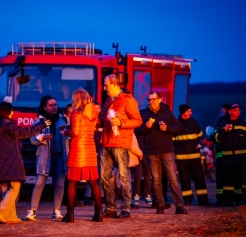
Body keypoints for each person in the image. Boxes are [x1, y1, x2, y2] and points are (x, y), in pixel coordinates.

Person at [0, 102, 49, 224]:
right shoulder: (8, 125)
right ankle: (0, 210)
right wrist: (42, 125)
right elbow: (25, 133)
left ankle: (11, 216)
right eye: (11, 110)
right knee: (15, 186)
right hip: (10, 160)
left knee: (6, 187)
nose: (13, 113)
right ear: (6, 111)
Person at [135, 91, 187, 215]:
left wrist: (167, 128)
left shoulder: (167, 113)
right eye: (149, 100)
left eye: (153, 99)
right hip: (151, 151)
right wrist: (145, 127)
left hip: (167, 150)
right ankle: (160, 205)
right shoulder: (143, 113)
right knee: (156, 179)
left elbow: (178, 128)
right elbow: (137, 131)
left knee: (172, 178)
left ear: (159, 100)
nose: (150, 102)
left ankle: (179, 206)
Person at [99, 75, 142, 219]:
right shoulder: (108, 101)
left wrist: (121, 123)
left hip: (120, 143)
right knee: (105, 176)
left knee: (124, 176)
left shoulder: (128, 100)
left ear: (114, 84)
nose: (104, 88)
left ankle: (126, 208)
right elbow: (105, 120)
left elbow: (138, 121)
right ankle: (110, 208)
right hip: (106, 143)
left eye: (106, 85)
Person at [63, 88, 102, 223]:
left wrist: (65, 132)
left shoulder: (76, 113)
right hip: (90, 148)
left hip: (78, 149)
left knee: (72, 182)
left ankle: (70, 214)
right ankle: (99, 213)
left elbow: (75, 132)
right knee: (93, 182)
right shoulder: (93, 113)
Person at [26, 96, 68, 221]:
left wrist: (66, 132)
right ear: (45, 107)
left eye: (55, 104)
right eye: (51, 105)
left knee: (60, 183)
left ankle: (57, 210)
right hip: (45, 156)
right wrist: (42, 137)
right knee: (39, 182)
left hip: (60, 156)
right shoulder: (39, 121)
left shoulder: (64, 118)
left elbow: (71, 133)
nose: (54, 107)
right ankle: (32, 211)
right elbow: (32, 139)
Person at [212, 103, 246, 206]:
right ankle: (228, 201)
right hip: (227, 158)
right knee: (228, 181)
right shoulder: (222, 124)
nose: (238, 112)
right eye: (235, 110)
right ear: (230, 111)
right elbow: (217, 139)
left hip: (242, 158)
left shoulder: (244, 124)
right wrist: (224, 131)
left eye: (239, 110)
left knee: (245, 180)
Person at [173, 104, 209, 206]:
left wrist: (199, 144)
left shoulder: (194, 122)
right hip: (181, 159)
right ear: (183, 112)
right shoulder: (176, 124)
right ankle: (188, 200)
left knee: (199, 179)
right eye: (189, 111)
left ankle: (203, 200)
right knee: (184, 180)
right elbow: (172, 141)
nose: (191, 113)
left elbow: (199, 136)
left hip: (195, 158)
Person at [211, 103, 230, 202]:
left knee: (225, 177)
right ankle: (221, 198)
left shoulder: (226, 122)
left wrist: (212, 135)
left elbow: (219, 138)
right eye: (221, 108)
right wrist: (211, 135)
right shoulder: (220, 122)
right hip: (220, 154)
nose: (221, 110)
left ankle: (224, 199)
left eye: (224, 109)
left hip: (225, 154)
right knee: (221, 177)